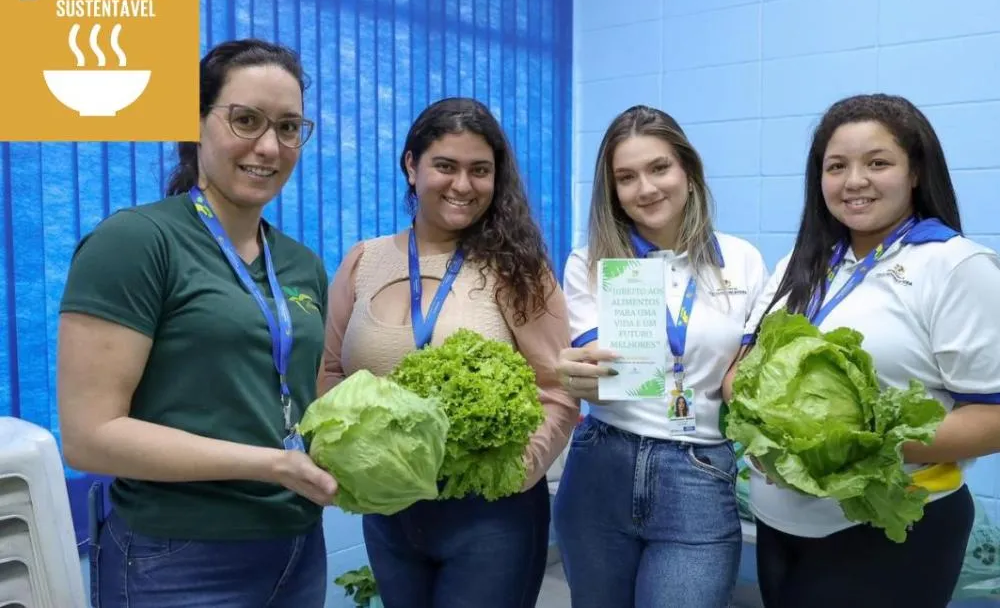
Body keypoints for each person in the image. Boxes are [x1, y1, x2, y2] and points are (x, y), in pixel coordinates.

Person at [57, 38, 336, 607]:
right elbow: (89, 438)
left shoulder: (301, 263)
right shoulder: (137, 241)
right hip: (180, 555)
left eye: (288, 127)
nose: (269, 146)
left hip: (297, 546)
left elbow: (294, 398)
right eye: (245, 120)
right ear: (196, 122)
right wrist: (273, 465)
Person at [725, 93, 1000, 608]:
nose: (854, 181)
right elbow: (741, 372)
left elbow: (993, 416)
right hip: (780, 525)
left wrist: (853, 450)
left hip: (891, 528)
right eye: (836, 166)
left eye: (878, 163)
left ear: (915, 171)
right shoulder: (800, 263)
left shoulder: (956, 267)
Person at [319, 96, 579, 608]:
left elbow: (558, 390)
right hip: (389, 510)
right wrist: (349, 462)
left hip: (489, 517)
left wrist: (514, 472)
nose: (463, 185)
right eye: (446, 166)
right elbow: (331, 372)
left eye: (479, 170)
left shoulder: (518, 270)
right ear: (411, 166)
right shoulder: (363, 261)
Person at [553, 105, 769, 608]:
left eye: (659, 168)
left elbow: (745, 370)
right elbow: (602, 365)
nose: (645, 189)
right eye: (625, 178)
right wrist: (576, 374)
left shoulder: (741, 260)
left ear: (689, 173)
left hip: (698, 470)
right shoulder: (589, 263)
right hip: (601, 465)